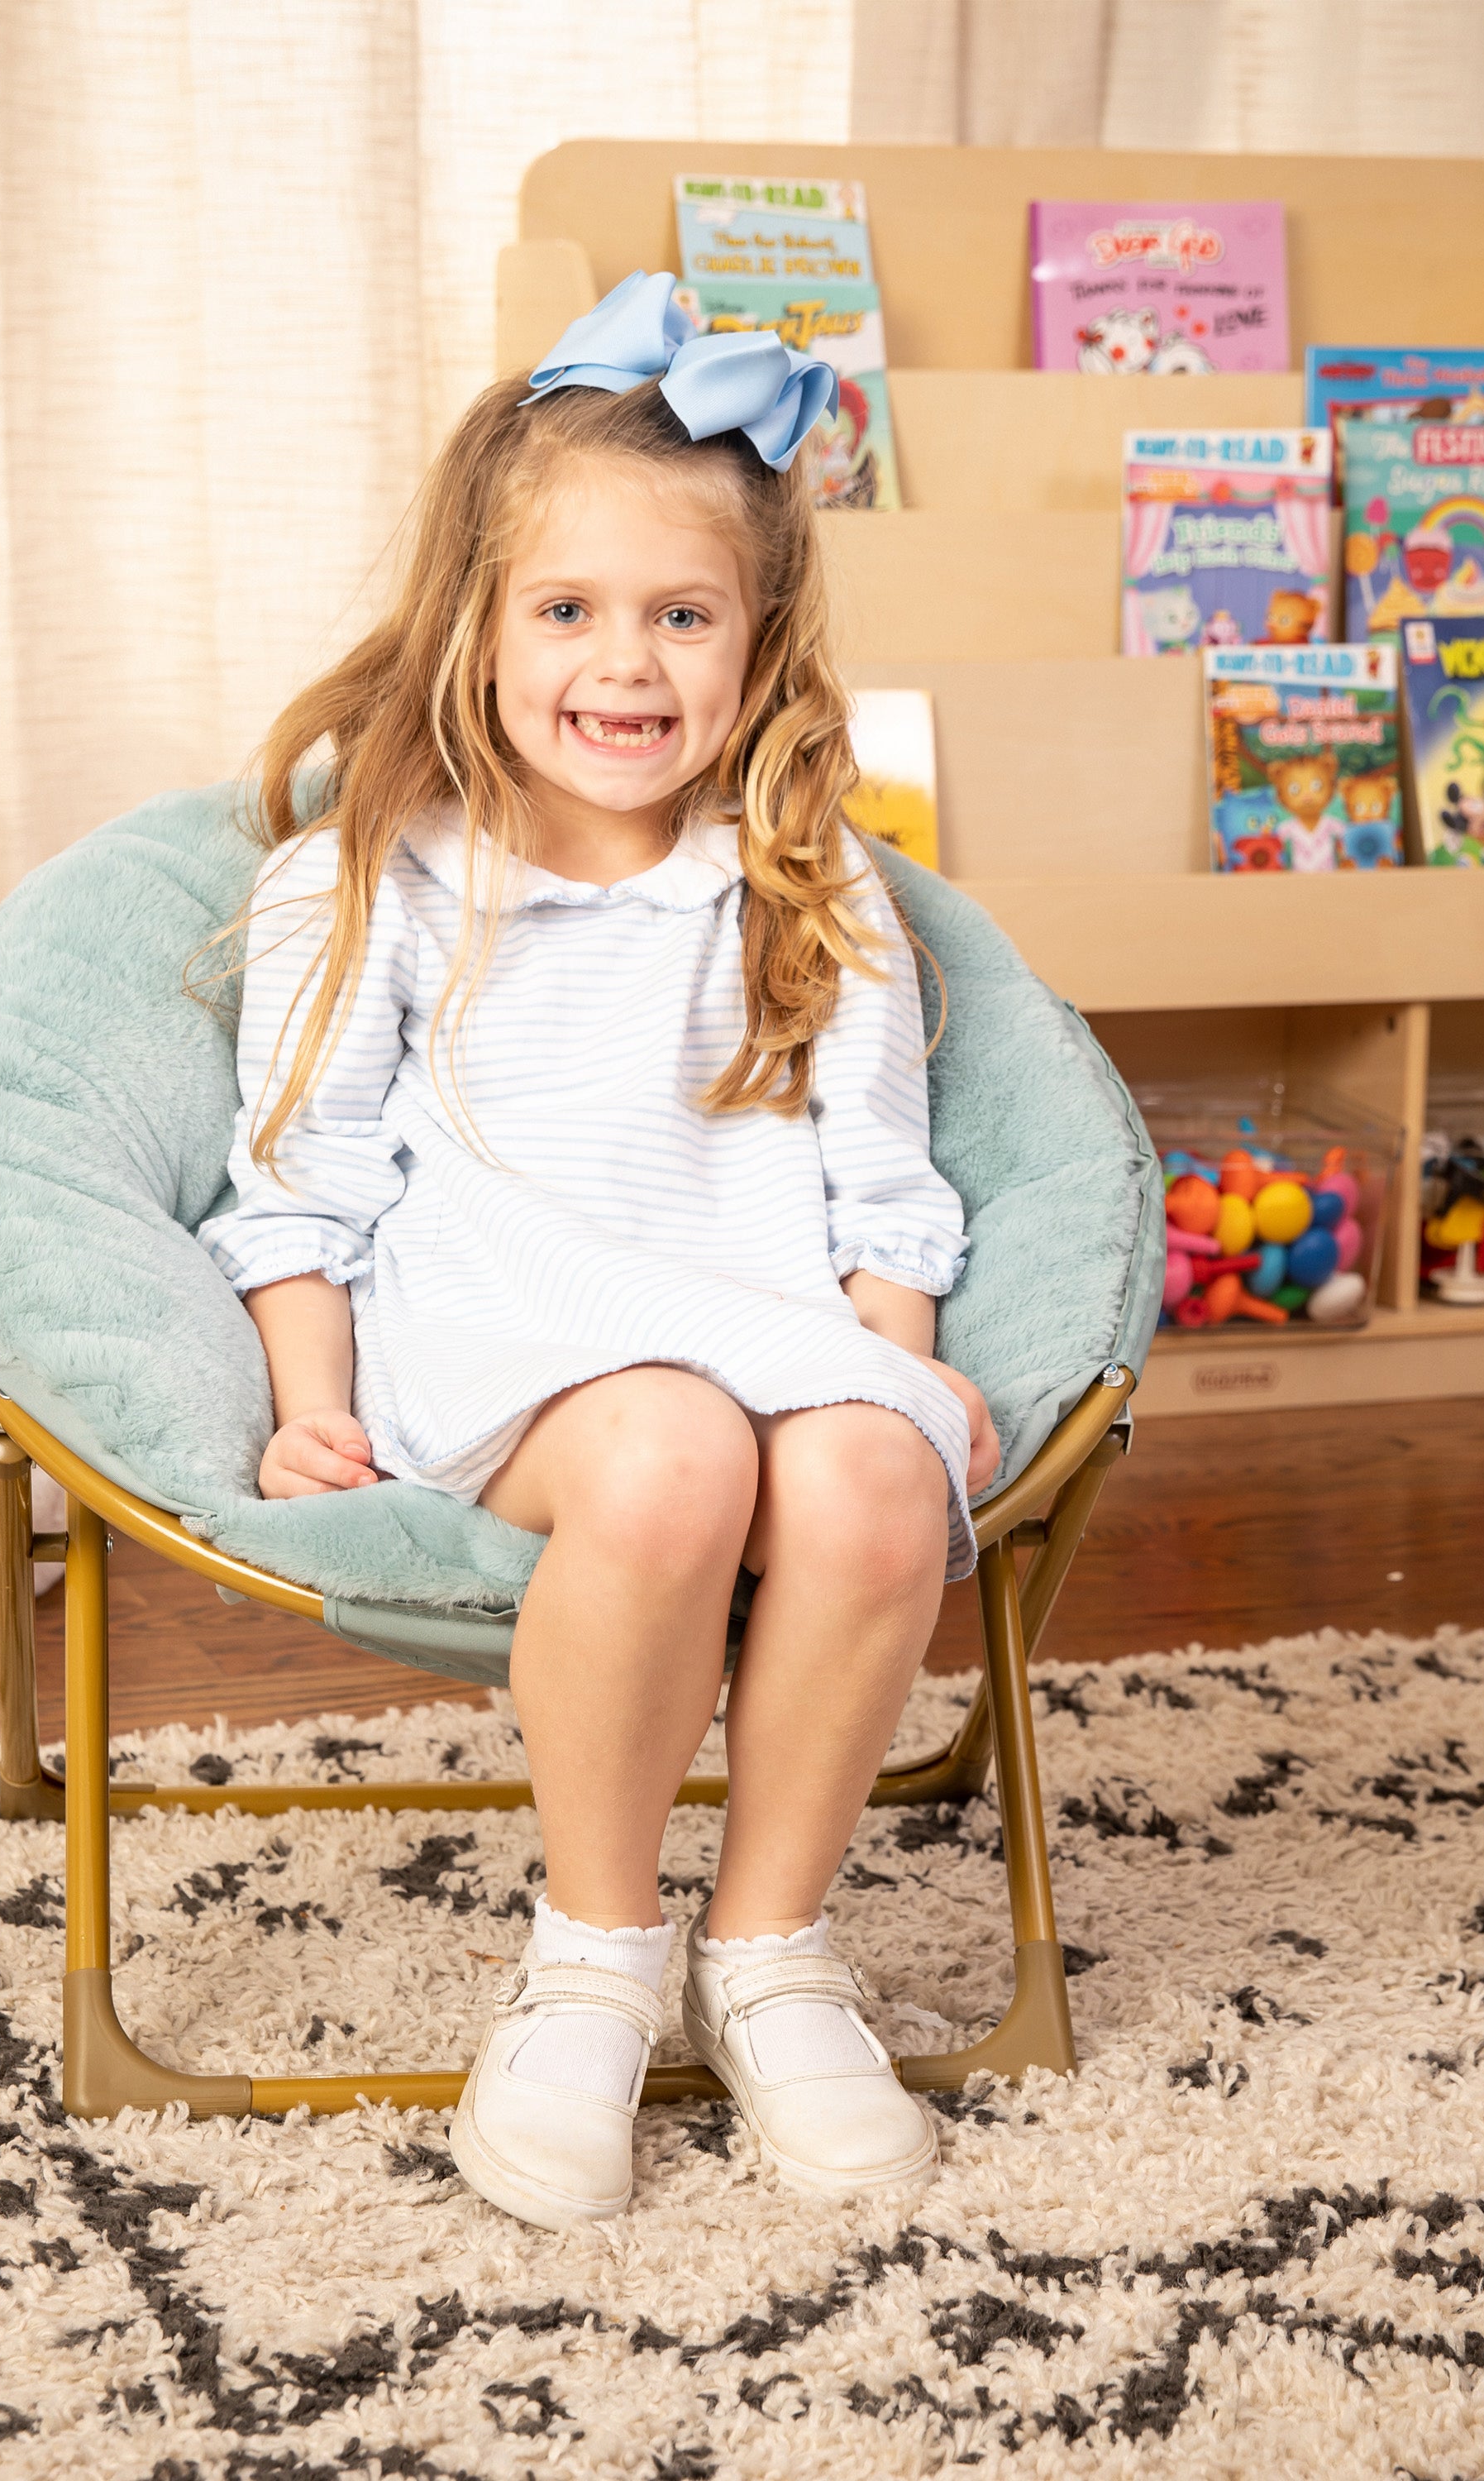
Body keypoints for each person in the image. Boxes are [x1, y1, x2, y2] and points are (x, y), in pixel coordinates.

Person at [195, 273, 1000, 2230]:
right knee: (666, 1453)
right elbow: (294, 1172)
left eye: (681, 615)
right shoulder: (371, 875)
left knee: (883, 1480)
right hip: (514, 1324)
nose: (622, 665)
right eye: (567, 609)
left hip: (766, 1315)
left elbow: (875, 1182)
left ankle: (774, 1950)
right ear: (476, 622)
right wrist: (312, 1402)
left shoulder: (816, 889)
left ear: (758, 641)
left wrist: (903, 1354)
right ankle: (597, 1950)